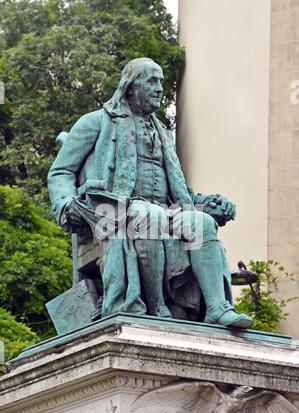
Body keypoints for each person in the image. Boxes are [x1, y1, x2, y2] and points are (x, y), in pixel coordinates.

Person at [48, 58, 252, 328]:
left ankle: (217, 307)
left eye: (162, 82)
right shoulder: (96, 122)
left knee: (202, 223)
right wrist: (65, 204)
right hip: (114, 209)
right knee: (149, 215)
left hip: (169, 209)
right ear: (130, 87)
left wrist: (207, 204)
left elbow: (178, 191)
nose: (160, 88)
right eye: (152, 81)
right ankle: (156, 306)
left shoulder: (163, 132)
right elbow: (60, 171)